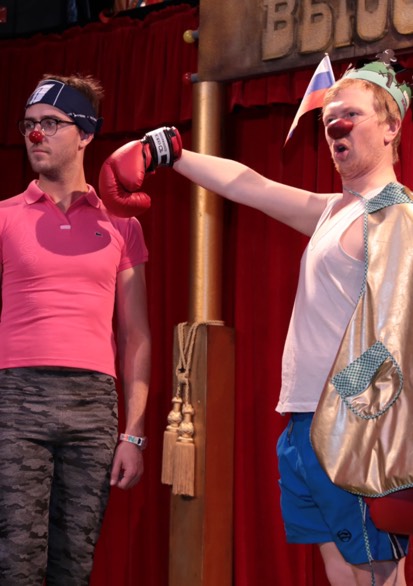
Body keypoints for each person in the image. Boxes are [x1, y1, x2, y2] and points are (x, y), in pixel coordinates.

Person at [98, 54, 412, 585]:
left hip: (351, 427)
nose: (336, 126)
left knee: (377, 575)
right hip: (305, 422)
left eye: (352, 115)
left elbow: (400, 331)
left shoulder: (395, 214)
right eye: (329, 118)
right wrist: (169, 151)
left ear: (391, 127)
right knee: (341, 572)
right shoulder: (335, 211)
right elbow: (252, 185)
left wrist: (349, 412)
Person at [0, 73, 151, 585]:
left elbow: (136, 335)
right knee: (16, 566)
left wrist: (134, 435)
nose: (34, 134)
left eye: (50, 122)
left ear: (86, 133)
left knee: (74, 568)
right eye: (28, 123)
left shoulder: (122, 224)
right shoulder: (4, 218)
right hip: (17, 400)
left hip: (93, 407)